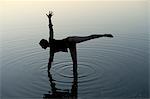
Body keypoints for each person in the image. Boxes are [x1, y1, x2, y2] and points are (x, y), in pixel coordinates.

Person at [39, 34, 113, 52]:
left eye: (42, 46)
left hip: (70, 40)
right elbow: (50, 61)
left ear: (44, 43)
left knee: (88, 38)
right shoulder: (51, 50)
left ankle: (104, 35)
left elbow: (51, 30)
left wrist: (49, 19)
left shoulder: (51, 41)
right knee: (74, 62)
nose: (42, 47)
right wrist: (48, 70)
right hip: (70, 46)